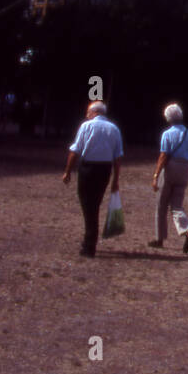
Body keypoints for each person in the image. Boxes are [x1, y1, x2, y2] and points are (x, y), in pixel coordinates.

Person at [62, 100, 123, 258]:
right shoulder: (114, 129)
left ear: (94, 112)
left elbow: (75, 150)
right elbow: (118, 157)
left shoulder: (86, 126)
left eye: (88, 112)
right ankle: (90, 239)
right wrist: (115, 179)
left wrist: (68, 171)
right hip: (105, 170)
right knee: (94, 204)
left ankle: (89, 243)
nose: (87, 115)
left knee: (88, 206)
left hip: (88, 168)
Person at [149, 103, 188, 253]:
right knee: (177, 206)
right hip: (184, 168)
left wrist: (156, 175)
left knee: (161, 204)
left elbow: (163, 155)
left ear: (168, 118)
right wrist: (187, 167)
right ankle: (186, 231)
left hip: (171, 167)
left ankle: (159, 238)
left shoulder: (167, 134)